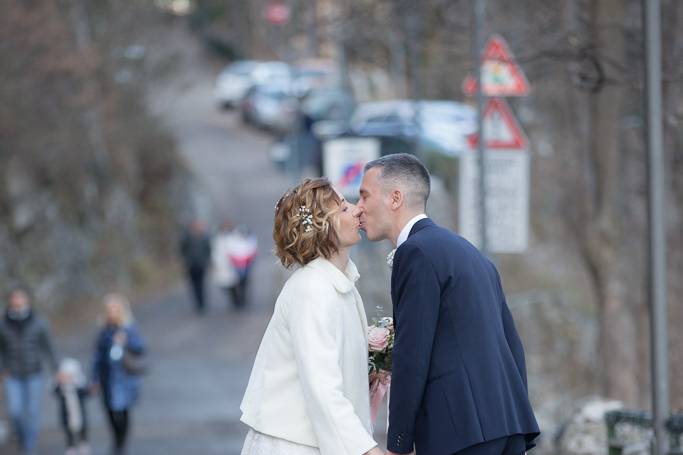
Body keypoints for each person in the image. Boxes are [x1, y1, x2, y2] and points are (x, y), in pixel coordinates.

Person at [357, 153, 540, 455]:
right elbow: (512, 345)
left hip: (460, 433)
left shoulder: (415, 253)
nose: (359, 208)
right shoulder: (469, 252)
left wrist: (398, 443)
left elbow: (413, 354)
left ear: (395, 198)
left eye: (364, 196)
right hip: (507, 425)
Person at [240, 178, 383, 455]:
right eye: (342, 209)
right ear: (321, 228)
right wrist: (368, 451)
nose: (356, 210)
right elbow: (322, 389)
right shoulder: (312, 290)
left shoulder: (339, 284)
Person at [0, 287, 59, 455]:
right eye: (15, 298)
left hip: (34, 372)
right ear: (10, 300)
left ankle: (29, 446)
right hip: (12, 374)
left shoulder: (38, 322)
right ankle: (21, 436)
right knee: (15, 411)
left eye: (21, 298)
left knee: (32, 412)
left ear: (27, 300)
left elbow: (48, 347)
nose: (18, 301)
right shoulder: (3, 323)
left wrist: (55, 368)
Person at [91, 293, 145, 455]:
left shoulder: (129, 329)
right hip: (107, 378)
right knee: (110, 412)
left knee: (122, 411)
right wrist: (94, 378)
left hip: (124, 378)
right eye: (109, 309)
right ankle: (116, 441)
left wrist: (125, 340)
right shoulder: (104, 331)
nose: (112, 312)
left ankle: (120, 445)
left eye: (115, 309)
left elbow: (140, 348)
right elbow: (97, 357)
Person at [212, 221, 258, 308]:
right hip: (230, 265)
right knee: (230, 284)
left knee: (242, 282)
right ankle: (237, 299)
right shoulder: (220, 238)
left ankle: (241, 299)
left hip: (241, 264)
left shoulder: (234, 237)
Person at [54, 358, 91, 455]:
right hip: (67, 416)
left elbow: (87, 392)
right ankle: (70, 446)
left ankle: (83, 443)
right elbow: (54, 390)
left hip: (80, 414)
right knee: (68, 431)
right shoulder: (61, 388)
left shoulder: (78, 387)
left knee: (83, 428)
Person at [179, 219, 212, 313]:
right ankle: (198, 303)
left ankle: (202, 303)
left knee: (201, 284)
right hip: (191, 265)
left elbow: (208, 249)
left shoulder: (204, 237)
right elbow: (182, 249)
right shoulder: (186, 237)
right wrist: (185, 260)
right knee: (194, 285)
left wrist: (207, 260)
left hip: (201, 264)